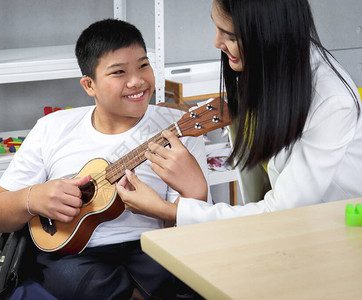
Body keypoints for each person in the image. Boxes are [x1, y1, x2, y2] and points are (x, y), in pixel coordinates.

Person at [0, 18, 210, 299]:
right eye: (118, 72)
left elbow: (192, 231)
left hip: (151, 247)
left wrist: (188, 196)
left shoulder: (179, 128)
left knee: (183, 271)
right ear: (89, 85)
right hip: (73, 253)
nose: (137, 80)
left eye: (143, 65)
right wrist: (34, 198)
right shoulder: (52, 127)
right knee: (70, 275)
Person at [116, 0, 362, 227]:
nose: (217, 43)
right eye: (216, 26)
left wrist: (169, 210)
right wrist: (187, 116)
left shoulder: (331, 102)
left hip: (338, 227)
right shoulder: (275, 63)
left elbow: (283, 212)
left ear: (269, 36)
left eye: (231, 35)